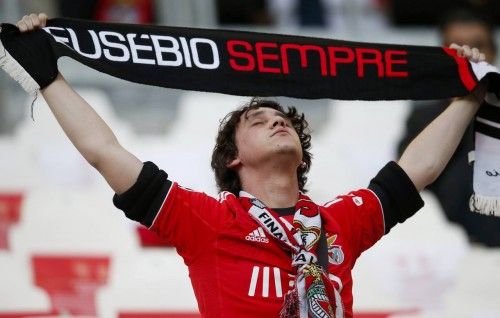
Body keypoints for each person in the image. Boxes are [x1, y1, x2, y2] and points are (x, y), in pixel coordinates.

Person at [9, 13, 487, 318]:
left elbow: (417, 170)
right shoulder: (207, 222)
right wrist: (47, 77)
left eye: (283, 120)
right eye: (260, 121)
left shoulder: (340, 220)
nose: (278, 123)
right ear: (233, 159)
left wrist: (471, 93)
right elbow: (104, 151)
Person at [398, 9, 500, 247]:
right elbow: (406, 186)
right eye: (457, 50)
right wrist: (463, 107)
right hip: (441, 252)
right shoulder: (422, 118)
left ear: (494, 52)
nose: (470, 57)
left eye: (478, 45)